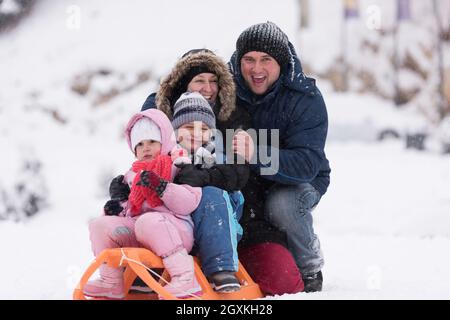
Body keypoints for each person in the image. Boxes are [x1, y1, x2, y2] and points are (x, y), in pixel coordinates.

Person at [109, 50, 251, 292]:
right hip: (181, 223)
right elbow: (145, 175)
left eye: (203, 128)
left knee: (210, 195)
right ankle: (148, 268)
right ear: (174, 131)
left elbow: (236, 175)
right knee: (151, 205)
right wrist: (124, 188)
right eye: (187, 127)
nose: (196, 133)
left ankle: (221, 267)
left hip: (220, 222)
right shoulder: (167, 155)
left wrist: (204, 176)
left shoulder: (217, 150)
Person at [228, 21, 331, 293]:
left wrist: (257, 154)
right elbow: (178, 90)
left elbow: (306, 164)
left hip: (300, 179)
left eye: (266, 60)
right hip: (249, 181)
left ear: (281, 62)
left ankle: (309, 268)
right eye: (249, 59)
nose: (256, 69)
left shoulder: (304, 98)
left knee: (281, 205)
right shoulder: (227, 85)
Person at [84, 109, 203, 299]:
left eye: (152, 142)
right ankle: (111, 281)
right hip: (139, 231)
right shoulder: (131, 175)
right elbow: (131, 210)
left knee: (148, 222)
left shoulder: (179, 165)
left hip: (175, 230)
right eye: (139, 144)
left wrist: (163, 187)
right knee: (100, 225)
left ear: (165, 141)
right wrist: (116, 207)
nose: (145, 147)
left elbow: (189, 202)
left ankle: (185, 278)